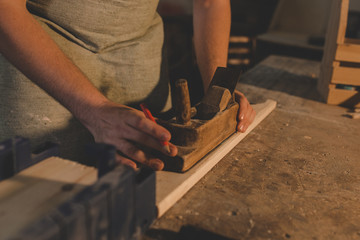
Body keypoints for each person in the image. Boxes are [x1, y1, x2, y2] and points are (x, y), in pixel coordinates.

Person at [0, 0, 256, 171]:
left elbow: (210, 2)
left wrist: (219, 94)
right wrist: (93, 109)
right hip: (47, 92)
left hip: (144, 89)